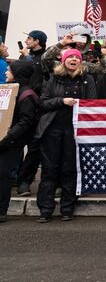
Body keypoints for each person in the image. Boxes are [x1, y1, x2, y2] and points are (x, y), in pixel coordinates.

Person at [36, 48, 97, 222]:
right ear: (63, 61)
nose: (73, 60)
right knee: (49, 170)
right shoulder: (53, 78)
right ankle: (45, 210)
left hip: (74, 131)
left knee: (70, 169)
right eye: (69, 57)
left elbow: (93, 104)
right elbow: (43, 103)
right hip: (52, 129)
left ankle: (67, 208)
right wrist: (61, 101)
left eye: (76, 57)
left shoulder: (88, 79)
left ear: (80, 62)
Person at [0, 62, 38, 223]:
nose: (6, 72)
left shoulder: (26, 94)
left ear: (18, 73)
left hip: (10, 143)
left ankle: (1, 210)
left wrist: (7, 138)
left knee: (3, 176)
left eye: (9, 70)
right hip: (4, 139)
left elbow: (25, 121)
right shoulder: (7, 89)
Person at [15, 29, 48, 197]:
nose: (26, 41)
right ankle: (14, 177)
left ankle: (24, 182)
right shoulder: (25, 57)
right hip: (22, 106)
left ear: (37, 41)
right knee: (16, 143)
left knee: (34, 147)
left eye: (29, 38)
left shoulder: (47, 58)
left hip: (39, 109)